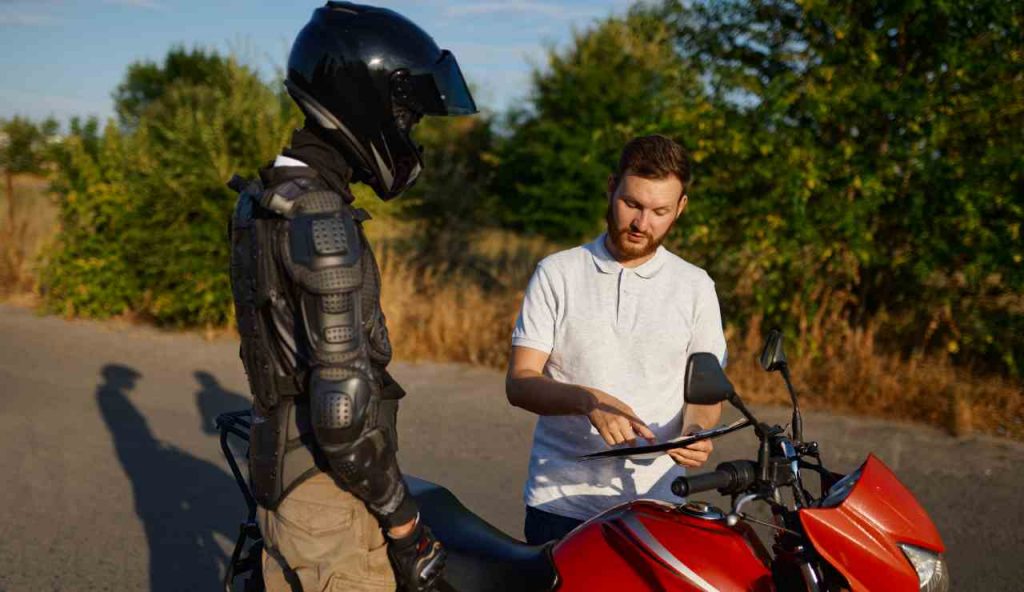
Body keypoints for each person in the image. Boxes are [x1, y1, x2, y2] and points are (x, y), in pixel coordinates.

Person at [227, 3, 477, 590]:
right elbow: (341, 416)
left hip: (288, 482)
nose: (408, 132)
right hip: (330, 502)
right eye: (406, 116)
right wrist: (405, 523)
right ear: (363, 102)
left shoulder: (266, 196)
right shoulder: (322, 219)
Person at [505, 135, 728, 545]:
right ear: (611, 188)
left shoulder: (696, 286)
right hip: (560, 507)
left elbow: (705, 395)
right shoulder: (558, 273)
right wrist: (588, 401)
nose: (643, 224)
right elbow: (520, 382)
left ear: (681, 208)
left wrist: (696, 430)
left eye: (660, 211)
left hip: (658, 505)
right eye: (633, 205)